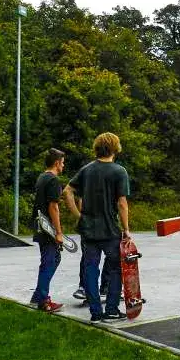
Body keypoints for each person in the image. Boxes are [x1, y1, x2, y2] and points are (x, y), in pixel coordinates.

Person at [63, 132, 130, 322]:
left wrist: (79, 216)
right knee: (116, 269)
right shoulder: (119, 171)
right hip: (110, 230)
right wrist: (126, 229)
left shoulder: (87, 170)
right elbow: (122, 203)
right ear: (115, 148)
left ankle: (95, 312)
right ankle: (111, 310)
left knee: (90, 269)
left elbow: (67, 191)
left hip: (88, 230)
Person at [29, 148, 66, 313]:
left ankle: (38, 294)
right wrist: (58, 232)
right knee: (49, 262)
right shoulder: (53, 180)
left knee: (52, 259)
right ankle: (44, 301)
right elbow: (53, 207)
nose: (63, 166)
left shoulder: (42, 177)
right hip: (48, 229)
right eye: (63, 162)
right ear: (57, 162)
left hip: (40, 226)